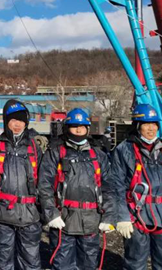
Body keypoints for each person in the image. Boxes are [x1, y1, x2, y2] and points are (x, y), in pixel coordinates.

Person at [110, 104, 162, 270]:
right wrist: (122, 217)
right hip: (136, 216)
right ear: (137, 126)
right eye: (146, 124)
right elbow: (116, 185)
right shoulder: (123, 150)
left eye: (154, 124)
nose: (151, 128)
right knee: (135, 263)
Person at [38, 108, 115, 270]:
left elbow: (109, 187)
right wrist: (51, 214)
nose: (78, 130)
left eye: (82, 126)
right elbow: (44, 185)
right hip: (63, 221)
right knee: (62, 264)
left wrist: (108, 216)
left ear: (88, 129)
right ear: (67, 128)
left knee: (88, 264)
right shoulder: (55, 154)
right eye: (74, 126)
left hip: (91, 222)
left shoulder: (98, 156)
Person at [0, 99, 43, 270]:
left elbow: (44, 180)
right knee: (2, 258)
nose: (17, 124)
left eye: (21, 120)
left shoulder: (35, 147)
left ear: (26, 122)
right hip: (2, 213)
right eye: (13, 120)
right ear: (6, 121)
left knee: (31, 259)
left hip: (30, 214)